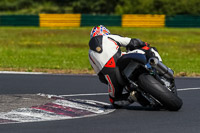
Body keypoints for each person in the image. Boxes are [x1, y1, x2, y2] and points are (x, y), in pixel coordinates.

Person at [88, 25, 162, 108]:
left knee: (115, 101)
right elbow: (132, 42)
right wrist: (144, 44)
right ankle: (159, 68)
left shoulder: (90, 54)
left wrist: (111, 82)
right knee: (150, 49)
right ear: (106, 32)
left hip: (112, 77)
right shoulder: (110, 37)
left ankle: (133, 96)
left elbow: (101, 76)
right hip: (122, 60)